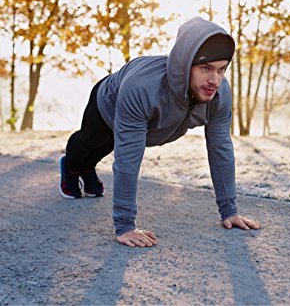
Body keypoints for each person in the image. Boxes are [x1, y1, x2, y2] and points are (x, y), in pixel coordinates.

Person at [59, 17, 261, 247]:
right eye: (206, 68)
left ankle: (87, 168)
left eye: (221, 69)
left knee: (105, 147)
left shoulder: (219, 94)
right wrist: (125, 226)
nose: (214, 80)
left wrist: (229, 211)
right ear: (186, 65)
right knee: (94, 143)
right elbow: (128, 157)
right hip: (108, 103)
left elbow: (221, 148)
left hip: (147, 121)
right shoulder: (142, 88)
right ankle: (72, 167)